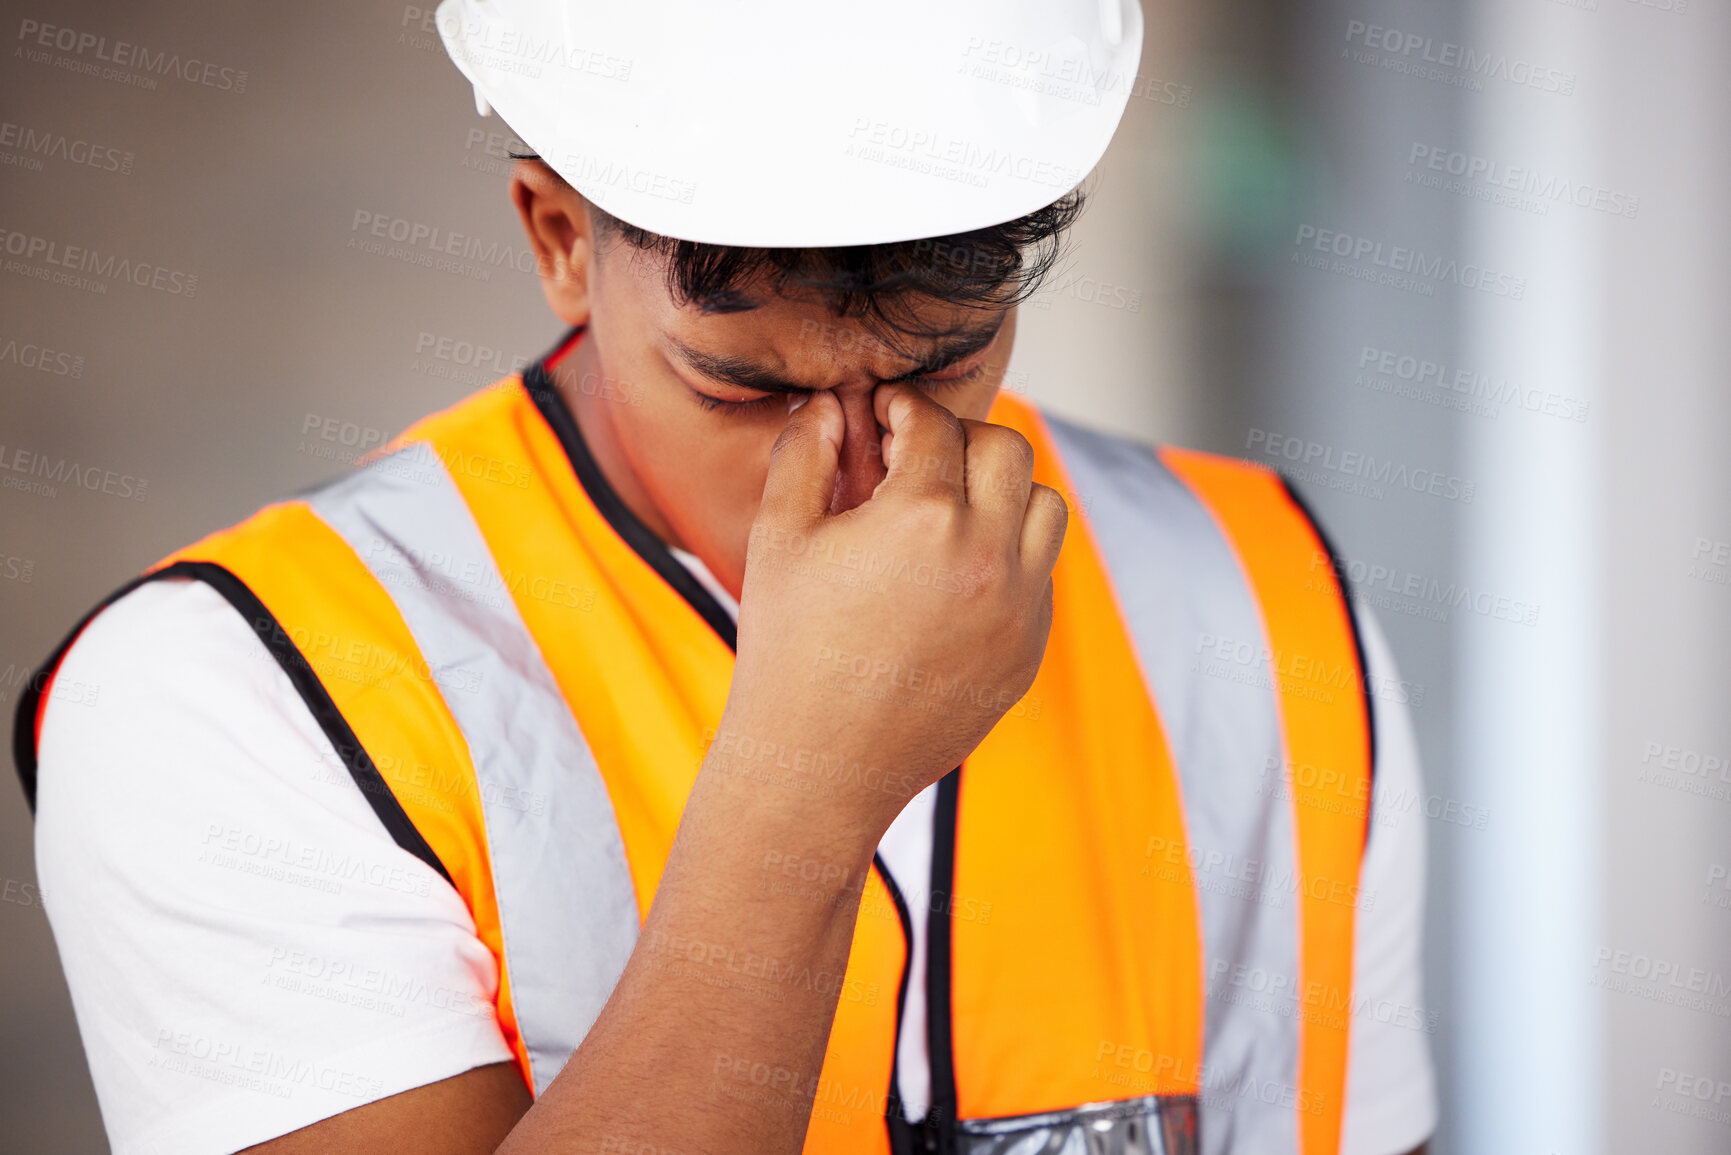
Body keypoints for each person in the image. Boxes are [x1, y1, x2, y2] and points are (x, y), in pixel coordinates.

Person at [15, 2, 1436, 1152]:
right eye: (746, 389)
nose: (865, 463)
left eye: (947, 364)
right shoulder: (232, 694)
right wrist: (805, 790)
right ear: (560, 240)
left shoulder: (1262, 593)